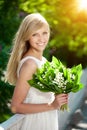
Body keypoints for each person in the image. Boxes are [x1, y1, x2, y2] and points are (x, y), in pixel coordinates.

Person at [5, 13, 68, 130]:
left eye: (45, 33)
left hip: (47, 120)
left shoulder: (43, 61)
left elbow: (42, 95)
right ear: (27, 37)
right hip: (35, 123)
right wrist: (52, 105)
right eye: (35, 34)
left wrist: (60, 94)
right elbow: (15, 107)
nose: (42, 39)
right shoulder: (30, 64)